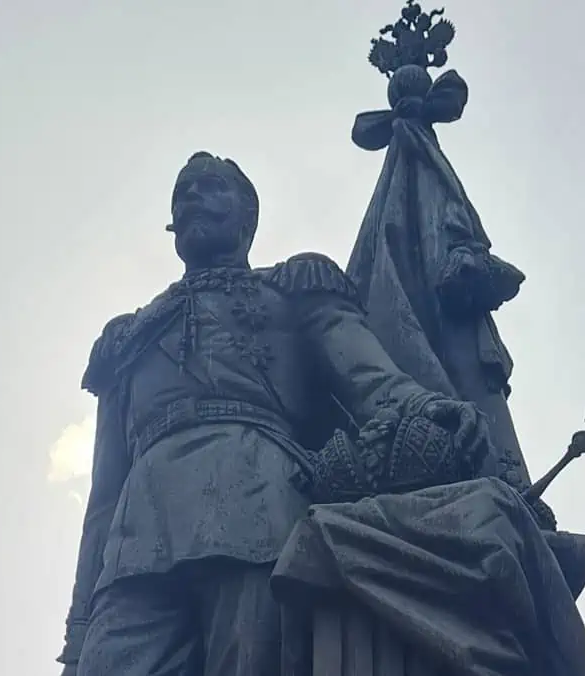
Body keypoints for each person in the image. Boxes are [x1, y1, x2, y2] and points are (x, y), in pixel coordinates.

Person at [57, 151, 483, 676]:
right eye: (182, 193)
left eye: (209, 187)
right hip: (136, 543)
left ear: (248, 216)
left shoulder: (291, 288)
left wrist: (425, 407)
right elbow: (103, 496)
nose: (191, 198)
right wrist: (79, 628)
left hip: (258, 510)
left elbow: (368, 376)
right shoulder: (128, 339)